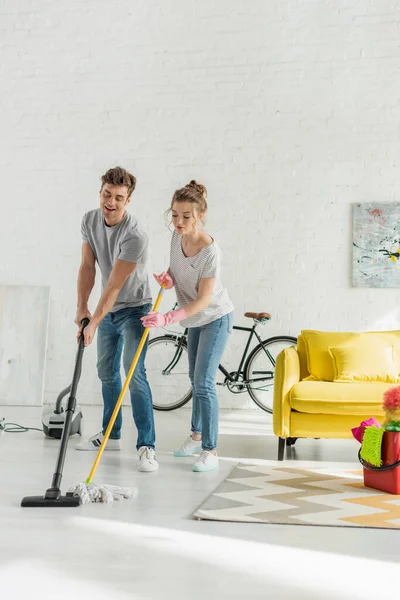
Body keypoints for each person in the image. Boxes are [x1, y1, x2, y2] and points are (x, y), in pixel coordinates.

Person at [141, 180, 234, 472]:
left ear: (200, 216)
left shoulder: (210, 251)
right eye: (175, 215)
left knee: (205, 382)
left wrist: (167, 318)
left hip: (215, 317)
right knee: (195, 380)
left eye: (186, 217)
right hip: (193, 319)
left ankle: (211, 450)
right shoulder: (176, 237)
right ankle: (196, 436)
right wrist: (168, 279)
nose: (178, 222)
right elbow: (176, 269)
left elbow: (204, 300)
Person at [75, 166, 158, 472]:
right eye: (106, 195)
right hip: (105, 309)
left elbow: (114, 285)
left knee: (134, 374)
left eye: (118, 198)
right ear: (100, 193)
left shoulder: (135, 235)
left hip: (136, 308)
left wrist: (94, 320)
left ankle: (147, 446)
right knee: (107, 373)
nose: (111, 202)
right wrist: (82, 309)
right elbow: (87, 266)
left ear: (129, 200)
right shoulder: (89, 220)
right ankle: (111, 434)